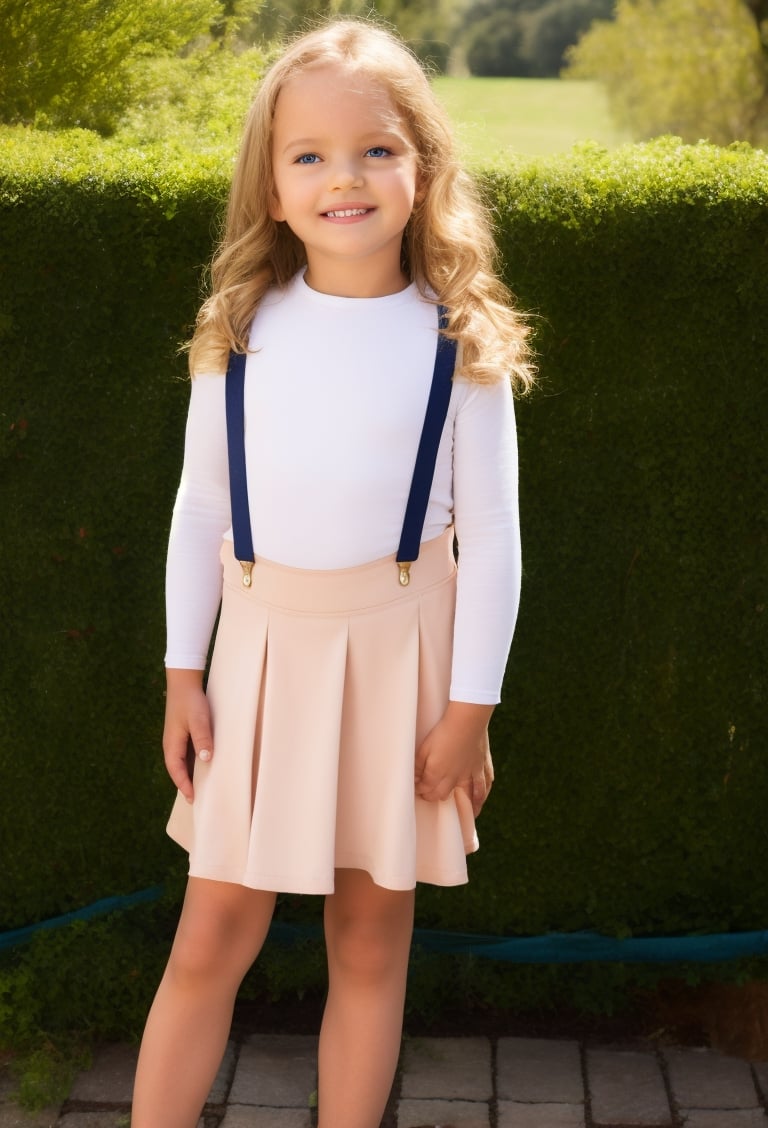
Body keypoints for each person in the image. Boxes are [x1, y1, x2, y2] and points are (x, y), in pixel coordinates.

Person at [131, 16, 533, 1128]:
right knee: (210, 934)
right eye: (308, 155)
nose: (342, 178)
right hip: (258, 658)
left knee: (370, 937)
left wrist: (471, 710)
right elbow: (201, 505)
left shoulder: (462, 343)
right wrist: (182, 672)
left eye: (375, 150)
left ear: (425, 166)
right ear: (269, 184)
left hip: (403, 656)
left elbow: (493, 535)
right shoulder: (240, 328)